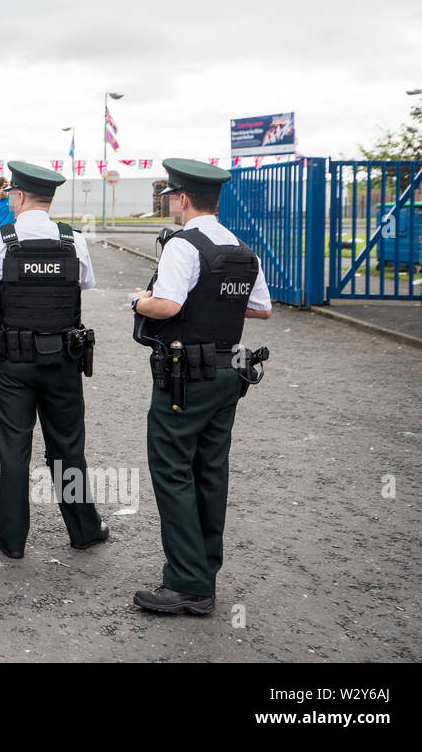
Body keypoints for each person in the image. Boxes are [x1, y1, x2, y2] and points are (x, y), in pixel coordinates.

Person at [129, 158, 272, 615]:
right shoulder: (241, 249)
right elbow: (261, 308)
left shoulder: (183, 245)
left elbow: (168, 305)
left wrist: (139, 300)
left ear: (183, 198)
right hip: (228, 370)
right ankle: (204, 574)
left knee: (172, 470)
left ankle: (186, 584)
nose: (170, 203)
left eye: (171, 196)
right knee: (210, 471)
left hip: (184, 375)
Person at [0, 161, 107, 559]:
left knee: (14, 449)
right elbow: (84, 284)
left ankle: (12, 539)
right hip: (64, 359)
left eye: (11, 194)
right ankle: (84, 531)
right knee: (68, 447)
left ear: (20, 196)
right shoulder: (73, 241)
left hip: (12, 362)